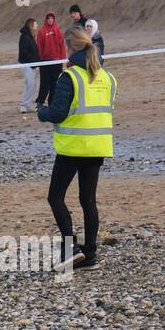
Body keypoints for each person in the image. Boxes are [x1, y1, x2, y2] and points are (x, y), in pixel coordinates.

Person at [37, 26, 117, 270]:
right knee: (88, 200)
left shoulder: (70, 77)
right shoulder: (108, 78)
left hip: (73, 147)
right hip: (97, 146)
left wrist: (42, 112)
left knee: (55, 197)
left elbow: (59, 112)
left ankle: (70, 248)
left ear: (69, 48)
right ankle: (90, 254)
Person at [35, 12, 66, 106]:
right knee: (44, 83)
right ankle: (40, 102)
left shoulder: (58, 31)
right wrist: (40, 60)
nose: (50, 20)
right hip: (45, 62)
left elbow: (62, 47)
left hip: (57, 61)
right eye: (48, 18)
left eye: (52, 18)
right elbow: (39, 47)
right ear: (46, 20)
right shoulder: (41, 32)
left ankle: (52, 102)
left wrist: (62, 59)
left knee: (55, 83)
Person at [18, 17, 40, 114]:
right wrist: (33, 62)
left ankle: (27, 104)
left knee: (32, 84)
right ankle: (24, 105)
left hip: (32, 64)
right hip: (26, 64)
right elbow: (24, 53)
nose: (37, 26)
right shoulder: (25, 36)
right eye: (35, 24)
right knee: (30, 84)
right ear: (31, 25)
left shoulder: (31, 36)